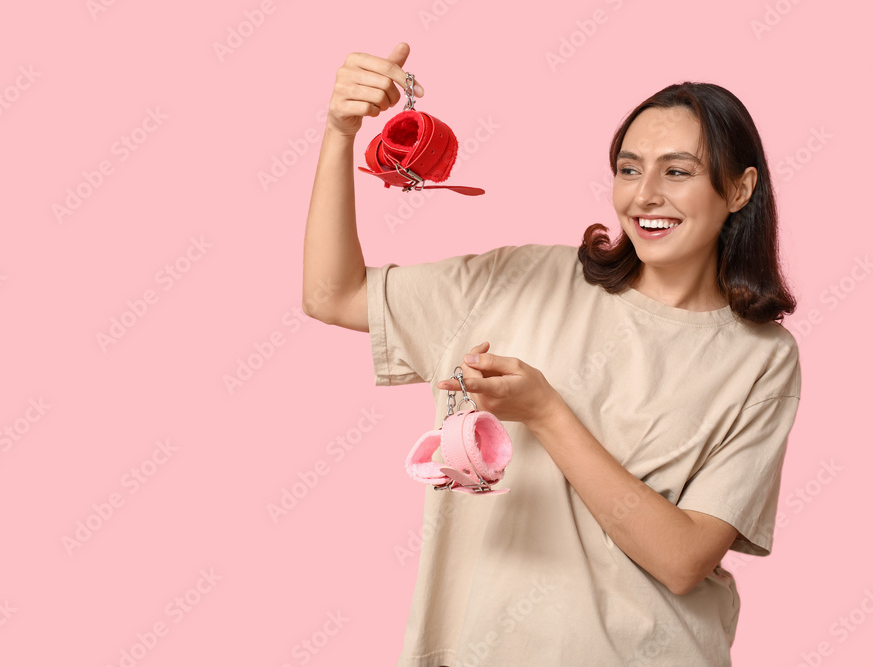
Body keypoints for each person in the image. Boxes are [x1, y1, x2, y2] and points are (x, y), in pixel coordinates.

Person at [302, 41, 801, 667]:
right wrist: (337, 136)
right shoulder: (523, 280)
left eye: (677, 171)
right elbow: (333, 295)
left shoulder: (761, 359)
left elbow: (683, 561)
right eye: (628, 168)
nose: (644, 194)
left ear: (738, 189)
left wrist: (547, 413)